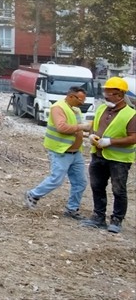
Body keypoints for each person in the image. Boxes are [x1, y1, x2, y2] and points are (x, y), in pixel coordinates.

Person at [24, 86, 91, 217]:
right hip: (61, 151)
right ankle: (33, 194)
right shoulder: (58, 108)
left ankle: (72, 209)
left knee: (80, 182)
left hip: (75, 152)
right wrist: (82, 126)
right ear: (71, 96)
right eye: (80, 100)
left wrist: (87, 135)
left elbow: (75, 129)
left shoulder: (75, 110)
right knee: (56, 179)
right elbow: (62, 127)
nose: (82, 103)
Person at [81, 77, 136, 234]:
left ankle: (117, 220)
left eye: (108, 93)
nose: (105, 95)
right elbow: (94, 127)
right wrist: (91, 135)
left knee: (118, 190)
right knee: (97, 186)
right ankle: (98, 217)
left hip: (119, 160)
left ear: (119, 95)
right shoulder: (101, 109)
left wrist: (110, 141)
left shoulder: (130, 114)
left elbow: (133, 138)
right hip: (98, 155)